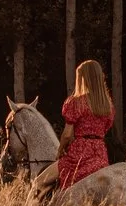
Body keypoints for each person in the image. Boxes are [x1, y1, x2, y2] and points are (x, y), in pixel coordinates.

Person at [35, 59, 114, 194]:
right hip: (100, 155)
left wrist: (60, 151)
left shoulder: (76, 102)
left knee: (38, 182)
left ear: (83, 79)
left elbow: (67, 135)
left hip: (79, 155)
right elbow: (105, 130)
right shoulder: (108, 106)